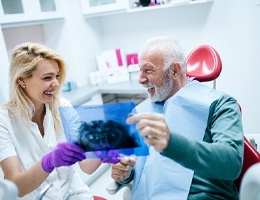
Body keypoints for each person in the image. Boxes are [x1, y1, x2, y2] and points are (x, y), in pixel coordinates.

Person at [110, 36, 244, 200]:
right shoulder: (142, 111)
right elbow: (142, 169)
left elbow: (231, 163)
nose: (140, 79)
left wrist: (171, 142)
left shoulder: (221, 105)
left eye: (148, 70)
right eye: (140, 70)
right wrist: (126, 173)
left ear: (174, 70)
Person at [0, 42, 118, 200]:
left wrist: (101, 150)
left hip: (75, 195)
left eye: (56, 76)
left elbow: (86, 166)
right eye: (47, 77)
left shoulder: (62, 106)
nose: (56, 83)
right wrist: (47, 162)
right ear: (22, 80)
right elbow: (16, 188)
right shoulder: (4, 120)